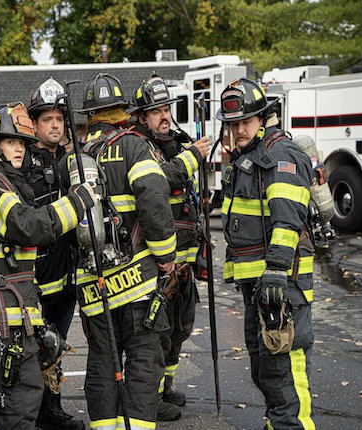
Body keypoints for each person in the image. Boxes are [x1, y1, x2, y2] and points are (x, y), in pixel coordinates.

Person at [0, 102, 99, 429]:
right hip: (1, 317)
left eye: (22, 143)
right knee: (23, 396)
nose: (19, 149)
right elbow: (29, 226)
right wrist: (78, 200)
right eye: (11, 142)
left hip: (0, 312)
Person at [62, 73, 177, 430]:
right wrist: (167, 258)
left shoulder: (74, 158)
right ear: (120, 112)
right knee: (143, 362)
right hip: (139, 283)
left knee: (102, 362)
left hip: (94, 287)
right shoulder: (133, 146)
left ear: (90, 116)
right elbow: (155, 203)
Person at [217, 78, 316, 430]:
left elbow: (288, 221)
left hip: (281, 284)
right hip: (257, 286)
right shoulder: (248, 157)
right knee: (264, 368)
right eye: (233, 124)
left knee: (282, 371)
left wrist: (275, 270)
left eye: (246, 122)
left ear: (262, 118)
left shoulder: (279, 156)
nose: (239, 130)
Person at [129, 73, 210, 421]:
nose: (164, 115)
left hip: (186, 257)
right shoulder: (140, 148)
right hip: (158, 261)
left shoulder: (179, 142)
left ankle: (167, 385)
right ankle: (153, 395)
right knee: (157, 330)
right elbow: (162, 180)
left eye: (167, 108)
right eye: (156, 110)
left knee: (180, 326)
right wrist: (192, 158)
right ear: (142, 117)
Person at [22, 78, 85, 430]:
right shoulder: (26, 165)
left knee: (57, 345)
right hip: (38, 276)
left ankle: (52, 409)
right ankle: (32, 411)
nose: (56, 125)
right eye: (47, 119)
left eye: (60, 118)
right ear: (34, 125)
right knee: (37, 345)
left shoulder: (74, 158)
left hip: (68, 273)